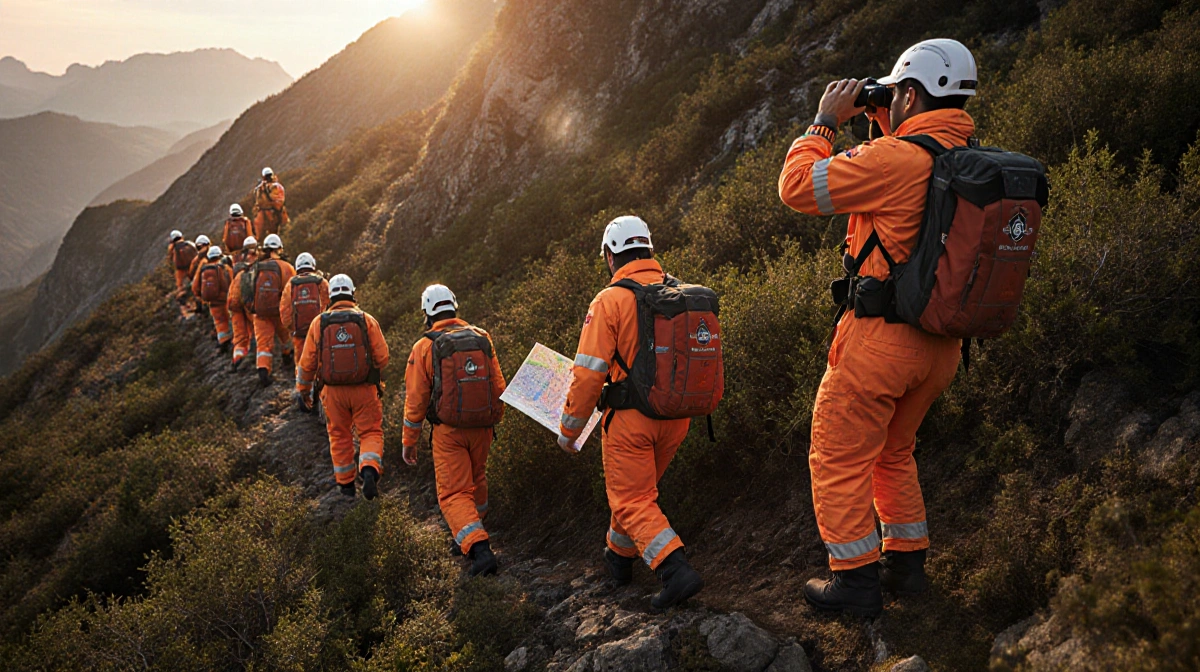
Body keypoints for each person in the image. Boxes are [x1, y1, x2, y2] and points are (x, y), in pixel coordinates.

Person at [776, 38, 978, 617]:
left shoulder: (892, 161)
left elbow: (796, 188)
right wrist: (884, 118)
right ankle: (906, 566)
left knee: (837, 456)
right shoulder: (962, 156)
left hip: (881, 344)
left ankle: (855, 583)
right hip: (940, 345)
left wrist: (824, 122)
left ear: (910, 94)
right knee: (894, 451)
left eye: (895, 94)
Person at [558, 215, 704, 610]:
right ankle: (618, 559)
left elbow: (588, 375)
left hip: (631, 422)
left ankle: (674, 569)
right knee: (637, 492)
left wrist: (569, 431)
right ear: (649, 249)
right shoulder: (678, 291)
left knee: (631, 499)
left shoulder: (609, 301)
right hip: (677, 416)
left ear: (610, 256)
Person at [401, 284, 506, 577]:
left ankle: (479, 549)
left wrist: (409, 441)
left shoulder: (424, 347)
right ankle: (471, 530)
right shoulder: (482, 337)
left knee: (454, 492)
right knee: (477, 479)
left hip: (449, 432)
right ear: (454, 306)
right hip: (483, 427)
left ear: (427, 313)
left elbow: (416, 400)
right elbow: (498, 384)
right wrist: (493, 418)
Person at [296, 274, 389, 500]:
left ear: (330, 297)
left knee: (339, 434)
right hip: (364, 389)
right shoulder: (366, 320)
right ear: (352, 293)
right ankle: (369, 469)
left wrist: (303, 390)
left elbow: (307, 363)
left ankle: (346, 485)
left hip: (332, 393)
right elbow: (383, 357)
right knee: (370, 431)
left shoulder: (319, 323)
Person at [249, 233, 295, 387]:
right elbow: (292, 290)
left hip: (260, 312)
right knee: (285, 336)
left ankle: (263, 371)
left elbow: (249, 289)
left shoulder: (256, 267)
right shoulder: (286, 267)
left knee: (263, 344)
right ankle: (287, 357)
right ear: (279, 248)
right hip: (278, 311)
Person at [280, 252, 330, 380]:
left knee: (301, 363)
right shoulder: (321, 282)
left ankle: (302, 387)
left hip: (299, 332)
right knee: (321, 359)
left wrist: (291, 328)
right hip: (319, 331)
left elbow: (285, 309)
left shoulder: (291, 284)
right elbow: (329, 305)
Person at [192, 246, 233, 352]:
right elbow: (234, 283)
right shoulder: (225, 268)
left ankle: (223, 342)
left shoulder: (203, 270)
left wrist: (202, 298)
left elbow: (195, 287)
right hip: (226, 300)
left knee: (219, 322)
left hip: (213, 303)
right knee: (231, 319)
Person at [227, 236, 258, 371]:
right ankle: (253, 354)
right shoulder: (258, 261)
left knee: (239, 337)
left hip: (235, 301)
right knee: (256, 328)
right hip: (247, 301)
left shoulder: (239, 263)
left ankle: (237, 358)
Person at [166, 230, 198, 314]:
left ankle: (187, 307)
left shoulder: (173, 249)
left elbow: (171, 260)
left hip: (181, 270)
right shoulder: (189, 243)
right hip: (193, 267)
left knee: (181, 289)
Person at [252, 167, 288, 240]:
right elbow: (281, 201)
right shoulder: (279, 186)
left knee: (260, 235)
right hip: (277, 212)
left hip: (266, 212)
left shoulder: (261, 188)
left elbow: (258, 200)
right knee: (279, 232)